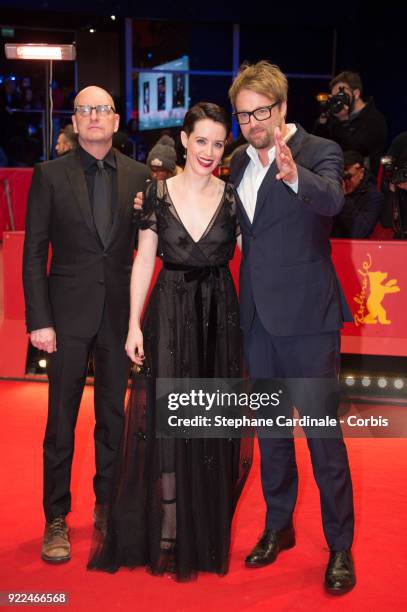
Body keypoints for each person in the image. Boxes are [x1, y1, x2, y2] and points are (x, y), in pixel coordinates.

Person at [88, 102, 253, 581]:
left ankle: (206, 530)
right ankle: (171, 522)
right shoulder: (155, 195)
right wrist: (134, 324)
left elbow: (256, 257)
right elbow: (144, 260)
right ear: (183, 140)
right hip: (170, 311)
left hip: (219, 317)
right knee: (169, 422)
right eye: (200, 140)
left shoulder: (232, 197)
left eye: (218, 143)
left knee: (212, 424)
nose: (208, 151)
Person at [228, 61, 356, 594]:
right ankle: (278, 527)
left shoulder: (318, 151)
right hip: (257, 321)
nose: (252, 123)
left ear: (281, 108)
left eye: (261, 112)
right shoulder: (235, 162)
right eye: (243, 115)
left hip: (308, 322)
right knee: (272, 436)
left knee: (323, 440)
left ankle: (340, 546)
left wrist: (292, 175)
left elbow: (333, 200)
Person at [22, 86, 150, 564]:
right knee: (60, 423)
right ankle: (56, 518)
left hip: (118, 319)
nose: (94, 116)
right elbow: (34, 252)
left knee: (113, 419)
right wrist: (40, 320)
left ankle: (106, 506)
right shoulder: (49, 176)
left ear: (116, 121)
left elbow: (149, 249)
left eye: (102, 109)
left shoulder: (139, 177)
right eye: (84, 110)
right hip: (65, 320)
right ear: (74, 122)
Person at [313, 71, 387, 176]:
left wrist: (343, 120)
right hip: (335, 177)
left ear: (356, 94)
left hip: (364, 184)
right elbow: (317, 145)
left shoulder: (374, 120)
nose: (338, 101)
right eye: (335, 97)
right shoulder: (335, 117)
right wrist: (323, 120)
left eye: (341, 96)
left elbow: (354, 152)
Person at [331, 150, 384, 238]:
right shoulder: (332, 191)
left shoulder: (373, 196)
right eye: (342, 177)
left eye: (349, 177)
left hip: (357, 247)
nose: (345, 182)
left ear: (361, 173)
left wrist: (344, 199)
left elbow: (360, 231)